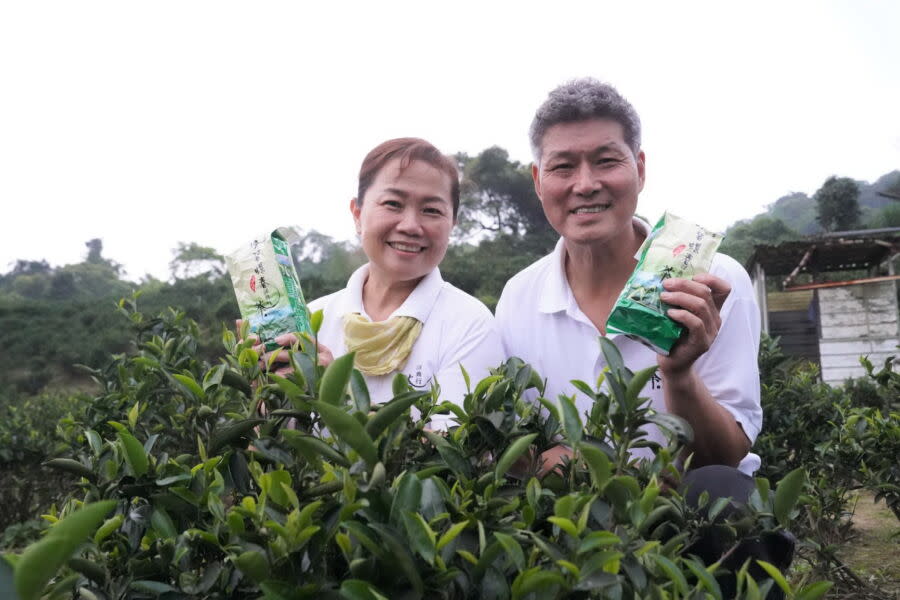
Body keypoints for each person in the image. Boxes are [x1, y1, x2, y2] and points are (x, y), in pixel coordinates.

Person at [495, 79, 791, 594]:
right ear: (538, 180)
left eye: (606, 161)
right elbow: (520, 448)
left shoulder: (707, 280)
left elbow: (722, 457)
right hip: (577, 520)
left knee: (722, 491)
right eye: (564, 167)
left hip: (688, 516)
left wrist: (678, 373)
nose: (585, 184)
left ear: (641, 168)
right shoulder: (518, 298)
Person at [259, 138, 503, 430]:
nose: (411, 225)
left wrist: (336, 395)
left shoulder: (470, 324)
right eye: (393, 204)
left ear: (453, 224)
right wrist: (264, 397)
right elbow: (279, 446)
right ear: (358, 214)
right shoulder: (314, 317)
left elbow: (460, 450)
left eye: (432, 210)